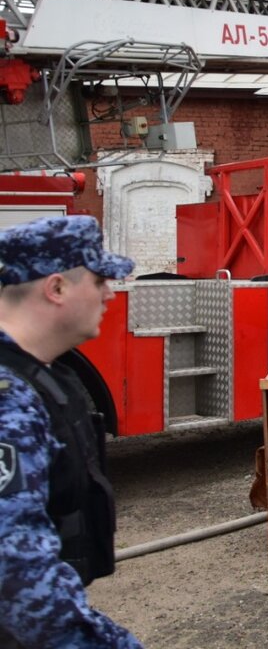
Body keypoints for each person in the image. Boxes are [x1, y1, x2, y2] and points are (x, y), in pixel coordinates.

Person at [0, 215, 142, 648]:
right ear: (57, 288)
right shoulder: (9, 402)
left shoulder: (37, 380)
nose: (110, 293)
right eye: (99, 280)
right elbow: (19, 578)